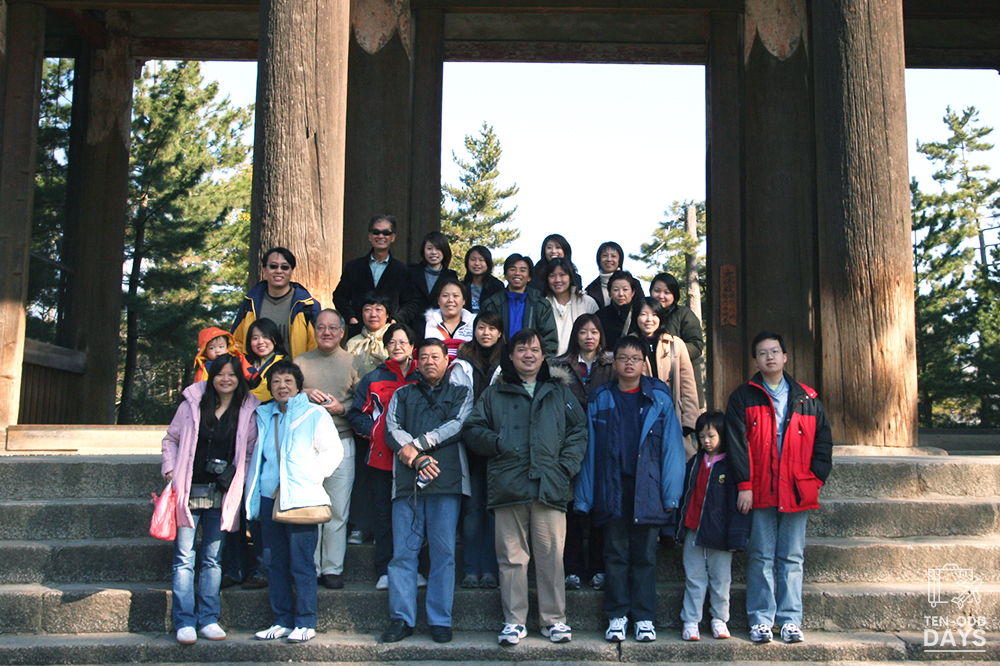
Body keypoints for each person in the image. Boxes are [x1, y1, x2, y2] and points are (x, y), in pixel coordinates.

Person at [463, 329, 588, 646]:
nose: (528, 354)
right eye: (521, 350)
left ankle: (554, 620)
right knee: (512, 559)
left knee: (551, 558)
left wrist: (565, 467)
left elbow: (579, 430)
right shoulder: (494, 394)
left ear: (543, 356)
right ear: (512, 356)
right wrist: (497, 443)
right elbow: (473, 429)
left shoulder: (558, 392)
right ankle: (514, 621)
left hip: (549, 485)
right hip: (508, 485)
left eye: (534, 349)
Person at [574, 336, 686, 644]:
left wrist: (671, 495)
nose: (628, 363)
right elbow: (590, 450)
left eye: (634, 358)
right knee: (615, 553)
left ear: (643, 363)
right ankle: (617, 615)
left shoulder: (659, 397)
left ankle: (645, 617)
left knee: (645, 556)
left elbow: (672, 449)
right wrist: (584, 497)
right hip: (613, 485)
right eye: (622, 358)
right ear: (615, 362)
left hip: (647, 487)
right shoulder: (601, 397)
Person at [725, 331, 833, 645]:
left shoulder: (808, 398)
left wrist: (814, 480)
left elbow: (823, 445)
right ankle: (761, 620)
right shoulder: (743, 396)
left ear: (785, 357)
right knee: (760, 555)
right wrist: (743, 484)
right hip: (759, 489)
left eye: (775, 351)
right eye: (762, 353)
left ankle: (789, 620)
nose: (770, 357)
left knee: (792, 556)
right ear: (755, 360)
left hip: (797, 490)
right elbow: (735, 445)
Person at [380, 339, 474, 645]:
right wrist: (417, 459)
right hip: (407, 484)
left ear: (447, 361)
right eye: (424, 357)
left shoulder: (461, 392)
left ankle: (439, 619)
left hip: (447, 481)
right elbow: (391, 428)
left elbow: (458, 424)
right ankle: (401, 618)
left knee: (444, 553)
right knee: (403, 554)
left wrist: (418, 446)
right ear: (416, 361)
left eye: (436, 356)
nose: (430, 361)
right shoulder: (403, 394)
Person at [161, 354, 260, 644]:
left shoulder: (247, 411)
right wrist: (170, 468)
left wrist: (239, 478)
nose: (225, 379)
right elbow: (172, 439)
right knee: (183, 558)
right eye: (220, 374)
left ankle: (208, 618)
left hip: (223, 492)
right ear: (211, 376)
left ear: (239, 378)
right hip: (189, 488)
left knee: (213, 559)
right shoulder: (191, 404)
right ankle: (184, 620)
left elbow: (250, 452)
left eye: (231, 374)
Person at [246, 360, 344, 644]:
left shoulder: (314, 414)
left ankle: (305, 620)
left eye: (288, 381)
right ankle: (281, 619)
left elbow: (332, 451)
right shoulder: (263, 414)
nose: (282, 386)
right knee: (275, 562)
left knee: (301, 562)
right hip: (269, 496)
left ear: (298, 386)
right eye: (276, 381)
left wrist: (311, 476)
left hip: (301, 497)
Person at [293, 309, 363, 590]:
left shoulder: (355, 363)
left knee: (337, 509)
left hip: (343, 439)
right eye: (321, 327)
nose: (327, 332)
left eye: (333, 327)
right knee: (310, 508)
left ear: (343, 331)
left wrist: (341, 408)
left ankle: (332, 567)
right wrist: (303, 393)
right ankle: (310, 566)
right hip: (306, 444)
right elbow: (284, 395)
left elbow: (364, 404)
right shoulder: (300, 362)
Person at [348, 323, 419, 590]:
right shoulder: (373, 378)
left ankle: (414, 568)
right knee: (384, 513)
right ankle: (385, 569)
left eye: (403, 342)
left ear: (413, 346)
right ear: (386, 347)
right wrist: (377, 431)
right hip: (381, 457)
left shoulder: (421, 375)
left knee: (414, 513)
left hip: (415, 457)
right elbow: (356, 414)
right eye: (392, 343)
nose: (398, 347)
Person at [550, 314, 615, 591]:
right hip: (568, 443)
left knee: (601, 503)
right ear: (575, 334)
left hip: (604, 440)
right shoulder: (558, 366)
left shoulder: (612, 364)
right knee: (571, 505)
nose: (589, 336)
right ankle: (573, 568)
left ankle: (599, 567)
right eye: (584, 331)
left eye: (594, 331)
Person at [678, 411, 750, 641]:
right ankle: (691, 620)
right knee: (694, 576)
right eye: (701, 436)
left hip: (721, 532)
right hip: (693, 528)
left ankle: (720, 619)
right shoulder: (694, 463)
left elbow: (736, 507)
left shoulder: (729, 466)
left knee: (721, 578)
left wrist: (736, 538)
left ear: (723, 435)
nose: (706, 441)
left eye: (711, 435)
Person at [451, 311, 505, 589]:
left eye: (492, 328)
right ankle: (471, 568)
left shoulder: (507, 363)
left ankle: (491, 570)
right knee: (472, 510)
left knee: (493, 509)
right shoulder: (462, 362)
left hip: (498, 444)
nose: (486, 333)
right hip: (468, 443)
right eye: (481, 327)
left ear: (499, 333)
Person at [332, 214, 417, 338]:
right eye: (376, 232)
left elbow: (412, 302)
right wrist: (351, 318)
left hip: (390, 335)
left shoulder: (402, 271)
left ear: (393, 237)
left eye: (386, 233)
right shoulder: (354, 267)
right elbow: (339, 296)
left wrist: (396, 320)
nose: (381, 236)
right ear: (370, 236)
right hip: (358, 334)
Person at [637, 298, 700, 456]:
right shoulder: (629, 345)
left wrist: (690, 422)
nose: (649, 319)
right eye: (643, 314)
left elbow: (688, 385)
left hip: (674, 418)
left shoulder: (675, 343)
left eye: (654, 314)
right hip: (641, 419)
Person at [232, 247, 320, 359]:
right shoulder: (250, 303)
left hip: (295, 373)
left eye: (285, 267)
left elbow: (316, 346)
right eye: (273, 266)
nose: (279, 271)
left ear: (292, 272)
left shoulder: (307, 306)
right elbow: (236, 342)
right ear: (264, 270)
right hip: (255, 374)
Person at [482, 253, 559, 358]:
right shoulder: (492, 304)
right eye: (512, 269)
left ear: (529, 277)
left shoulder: (541, 305)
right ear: (505, 274)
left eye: (523, 270)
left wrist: (541, 366)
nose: (517, 273)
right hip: (497, 364)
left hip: (531, 364)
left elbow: (550, 341)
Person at [650, 272, 706, 404]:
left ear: (674, 294)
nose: (661, 296)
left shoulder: (684, 314)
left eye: (667, 292)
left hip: (683, 380)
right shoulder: (647, 315)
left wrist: (670, 354)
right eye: (657, 291)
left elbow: (696, 346)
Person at [542, 257, 599, 355]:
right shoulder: (542, 306)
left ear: (570, 277)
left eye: (562, 275)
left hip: (581, 364)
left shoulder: (587, 303)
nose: (557, 280)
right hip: (551, 365)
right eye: (552, 276)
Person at [406, 231, 459, 330]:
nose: (434, 252)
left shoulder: (451, 276)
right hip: (412, 327)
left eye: (438, 248)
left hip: (440, 328)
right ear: (423, 251)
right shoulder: (411, 272)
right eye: (429, 248)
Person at [424, 278, 475, 359]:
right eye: (445, 296)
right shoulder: (426, 323)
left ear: (464, 301)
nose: (450, 300)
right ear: (438, 300)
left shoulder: (475, 324)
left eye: (455, 296)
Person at [345, 292, 392, 376]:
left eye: (378, 310)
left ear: (387, 314)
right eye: (367, 310)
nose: (373, 315)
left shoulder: (395, 340)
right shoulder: (352, 343)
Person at [597, 270, 644, 349]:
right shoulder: (600, 316)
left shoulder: (641, 314)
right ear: (609, 293)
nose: (621, 294)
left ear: (633, 292)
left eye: (625, 289)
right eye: (616, 290)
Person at [244, 319, 287, 402]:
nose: (260, 342)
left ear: (275, 340)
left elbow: (265, 392)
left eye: (265, 337)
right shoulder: (246, 363)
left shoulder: (282, 365)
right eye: (255, 338)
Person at [462, 245, 505, 313]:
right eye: (473, 259)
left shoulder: (497, 286)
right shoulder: (462, 285)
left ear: (488, 263)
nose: (477, 263)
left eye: (481, 260)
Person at [585, 241, 625, 308]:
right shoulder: (590, 289)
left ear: (619, 260)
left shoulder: (633, 284)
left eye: (613, 256)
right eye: (605, 256)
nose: (609, 259)